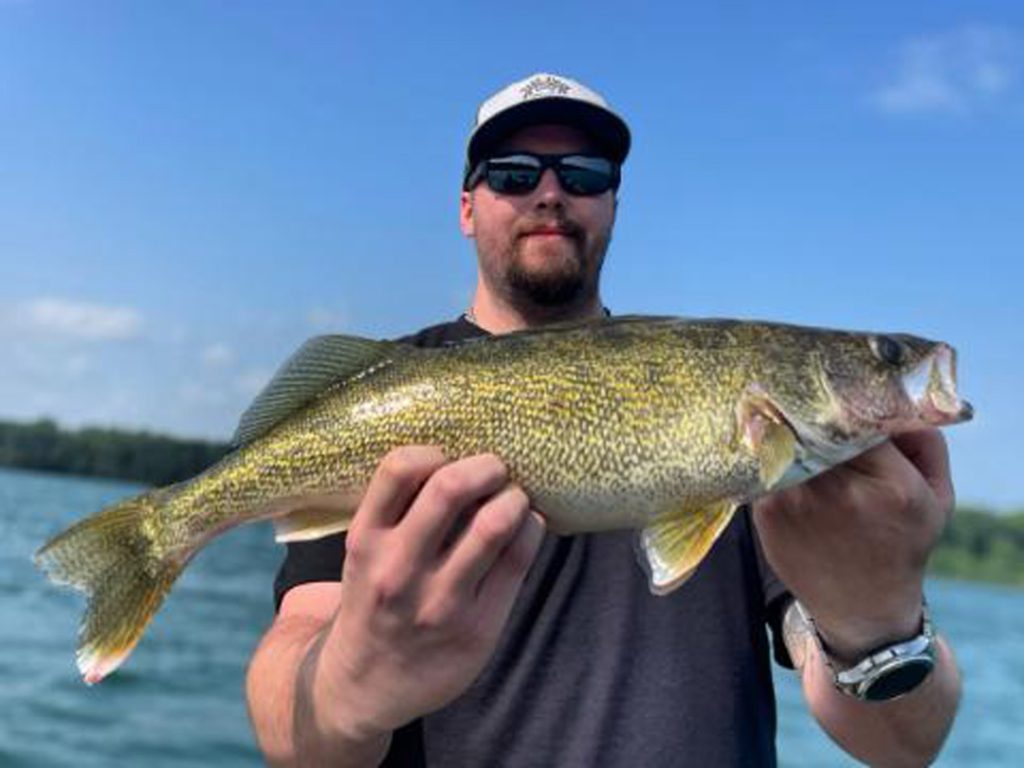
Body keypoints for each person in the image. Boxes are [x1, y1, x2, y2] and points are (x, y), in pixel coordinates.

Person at [246, 73, 962, 767]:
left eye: (585, 175)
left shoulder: (773, 460)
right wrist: (346, 691)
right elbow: (294, 700)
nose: (551, 194)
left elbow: (904, 747)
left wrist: (875, 625)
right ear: (467, 207)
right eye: (514, 173)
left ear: (614, 205)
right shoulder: (382, 394)